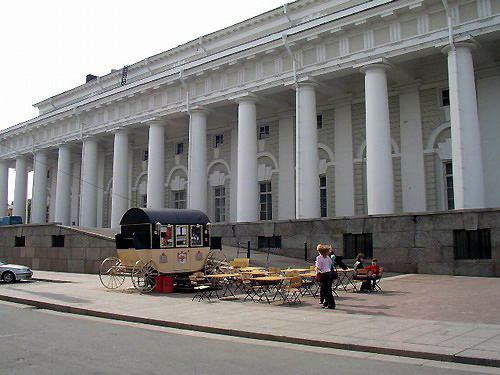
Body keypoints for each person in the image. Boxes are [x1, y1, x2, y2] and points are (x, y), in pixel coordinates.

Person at [315, 244, 335, 309]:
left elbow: (319, 267)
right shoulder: (327, 257)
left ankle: (330, 304)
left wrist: (316, 269)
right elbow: (331, 264)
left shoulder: (319, 258)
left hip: (323, 274)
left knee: (325, 290)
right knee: (328, 289)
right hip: (329, 273)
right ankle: (327, 303)